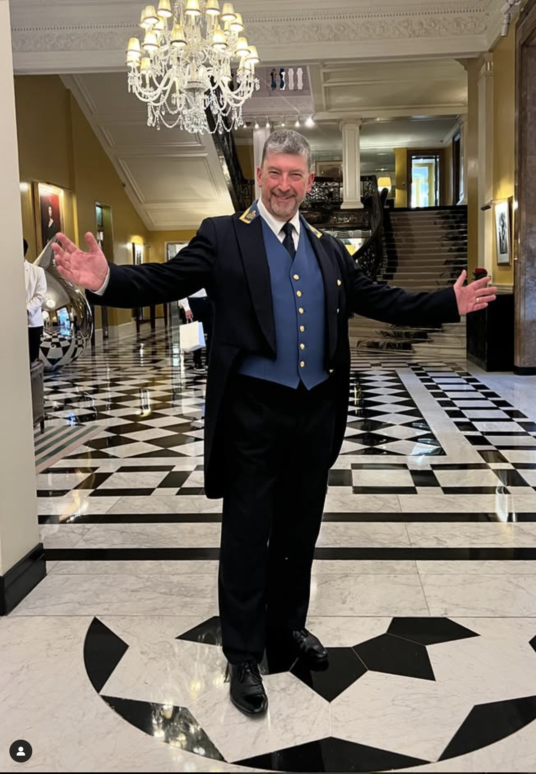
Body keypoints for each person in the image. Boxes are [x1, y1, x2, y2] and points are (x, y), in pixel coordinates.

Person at [52, 130, 496, 717]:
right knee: (246, 533)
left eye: (295, 175)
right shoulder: (222, 236)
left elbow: (380, 298)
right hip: (251, 413)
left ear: (309, 183)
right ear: (260, 176)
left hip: (315, 411)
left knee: (298, 530)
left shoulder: (329, 248)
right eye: (275, 173)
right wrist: (105, 281)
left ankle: (287, 628)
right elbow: (165, 280)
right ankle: (241, 651)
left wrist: (448, 302)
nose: (285, 184)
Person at [24, 239, 47, 363]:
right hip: (10, 323)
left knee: (32, 358)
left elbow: (40, 295)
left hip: (32, 322)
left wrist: (25, 310)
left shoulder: (37, 271)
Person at [178, 288, 211, 372]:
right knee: (196, 332)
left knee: (211, 332)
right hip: (193, 302)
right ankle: (197, 361)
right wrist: (186, 307)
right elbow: (182, 288)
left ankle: (209, 361)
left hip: (208, 301)